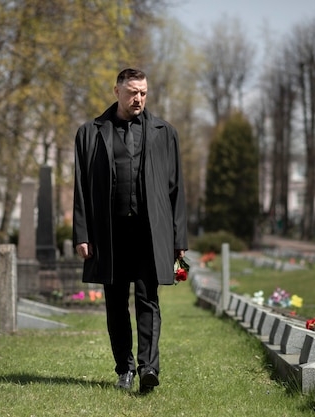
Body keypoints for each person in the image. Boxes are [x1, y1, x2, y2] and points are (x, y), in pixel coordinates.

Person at [72, 68, 188, 393]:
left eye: (144, 93)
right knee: (115, 303)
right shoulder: (90, 133)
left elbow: (177, 189)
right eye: (132, 92)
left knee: (148, 299)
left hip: (150, 233)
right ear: (117, 91)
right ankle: (124, 369)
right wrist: (82, 233)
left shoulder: (165, 133)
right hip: (110, 233)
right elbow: (80, 188)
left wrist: (179, 239)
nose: (138, 98)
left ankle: (149, 367)